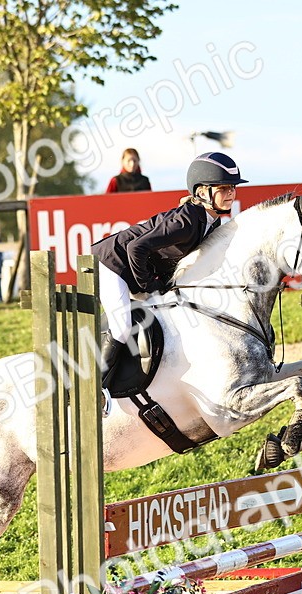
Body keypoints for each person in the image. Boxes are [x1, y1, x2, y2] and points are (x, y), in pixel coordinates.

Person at [90, 152, 247, 410]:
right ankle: (96, 389)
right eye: (224, 188)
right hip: (111, 263)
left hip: (130, 266)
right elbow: (136, 249)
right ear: (203, 191)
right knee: (120, 326)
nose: (231, 194)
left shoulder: (210, 221)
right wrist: (148, 286)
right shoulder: (186, 221)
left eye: (232, 188)